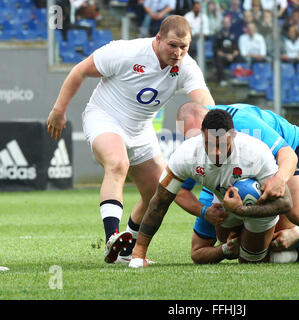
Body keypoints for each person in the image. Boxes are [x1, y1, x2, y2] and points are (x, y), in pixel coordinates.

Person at [46, 15, 215, 264]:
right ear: (158, 39)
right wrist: (58, 111)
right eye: (172, 45)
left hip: (141, 129)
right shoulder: (126, 52)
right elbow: (79, 71)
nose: (178, 52)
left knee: (159, 193)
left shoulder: (186, 66)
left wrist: (222, 122)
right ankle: (112, 237)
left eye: (184, 47)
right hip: (105, 117)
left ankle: (126, 251)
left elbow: (204, 99)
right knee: (117, 164)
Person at [172, 103, 299, 265]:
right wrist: (204, 213)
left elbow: (286, 154)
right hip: (254, 172)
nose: (198, 146)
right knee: (250, 240)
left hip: (294, 149)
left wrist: (280, 180)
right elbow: (179, 190)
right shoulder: (202, 152)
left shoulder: (243, 123)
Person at [128, 109, 293, 268]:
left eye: (221, 145)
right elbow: (159, 202)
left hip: (259, 209)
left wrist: (242, 210)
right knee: (224, 246)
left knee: (249, 262)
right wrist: (138, 254)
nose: (215, 152)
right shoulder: (187, 154)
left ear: (233, 136)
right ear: (202, 136)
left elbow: (286, 203)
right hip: (225, 205)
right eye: (209, 144)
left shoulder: (256, 152)